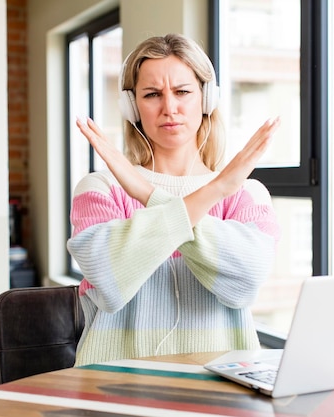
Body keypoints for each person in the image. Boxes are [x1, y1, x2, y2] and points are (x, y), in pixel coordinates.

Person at [67, 33, 281, 366]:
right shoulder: (100, 188)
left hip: (222, 388)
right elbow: (109, 284)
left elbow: (242, 286)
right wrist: (214, 190)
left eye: (182, 91)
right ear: (132, 106)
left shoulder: (246, 193)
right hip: (113, 384)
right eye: (152, 94)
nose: (170, 108)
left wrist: (148, 196)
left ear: (206, 99)